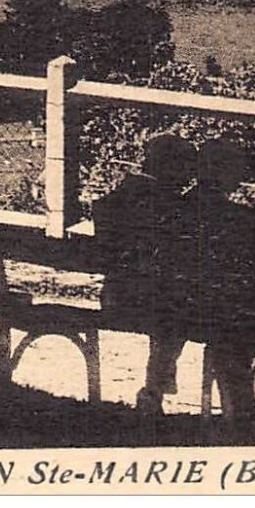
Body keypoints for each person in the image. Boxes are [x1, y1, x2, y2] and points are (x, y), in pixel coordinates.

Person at [94, 134, 198, 415]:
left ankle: (156, 388)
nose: (189, 177)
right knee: (178, 312)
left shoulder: (116, 200)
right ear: (171, 168)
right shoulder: (174, 208)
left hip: (115, 299)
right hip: (152, 306)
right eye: (186, 168)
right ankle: (155, 389)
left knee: (171, 306)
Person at [186, 140, 255, 436]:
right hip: (219, 315)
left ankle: (245, 407)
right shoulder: (242, 218)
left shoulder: (175, 209)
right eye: (237, 170)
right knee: (239, 327)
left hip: (175, 309)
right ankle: (248, 412)